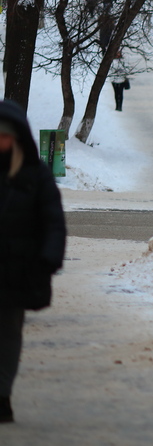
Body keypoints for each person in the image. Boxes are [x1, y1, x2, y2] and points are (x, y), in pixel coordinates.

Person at [0, 99, 67, 424]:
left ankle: (2, 396)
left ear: (16, 137)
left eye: (3, 136)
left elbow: (53, 221)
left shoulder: (35, 175)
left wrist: (48, 259)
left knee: (8, 335)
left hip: (15, 270)